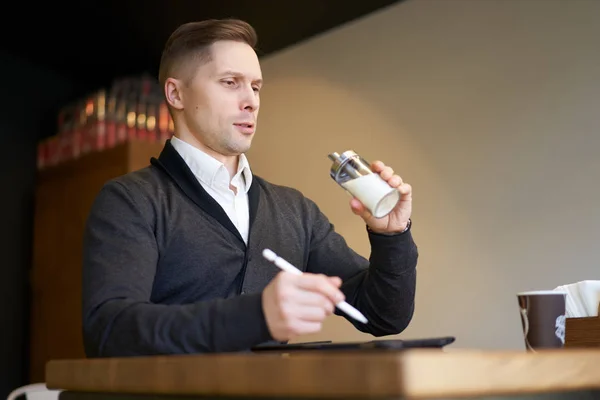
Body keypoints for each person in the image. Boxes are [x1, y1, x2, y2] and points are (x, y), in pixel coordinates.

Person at [81, 18, 418, 357]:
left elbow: (385, 316)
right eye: (230, 82)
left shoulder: (294, 211)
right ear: (176, 93)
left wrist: (392, 237)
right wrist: (257, 316)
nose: (251, 102)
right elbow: (109, 330)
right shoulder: (131, 200)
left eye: (255, 87)